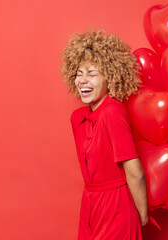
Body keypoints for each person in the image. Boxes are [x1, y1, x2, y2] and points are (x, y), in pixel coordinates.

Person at [60, 29, 149, 239]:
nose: (83, 80)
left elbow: (135, 173)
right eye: (79, 74)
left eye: (91, 74)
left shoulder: (112, 111)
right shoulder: (78, 119)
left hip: (116, 207)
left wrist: (142, 215)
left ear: (110, 77)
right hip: (90, 205)